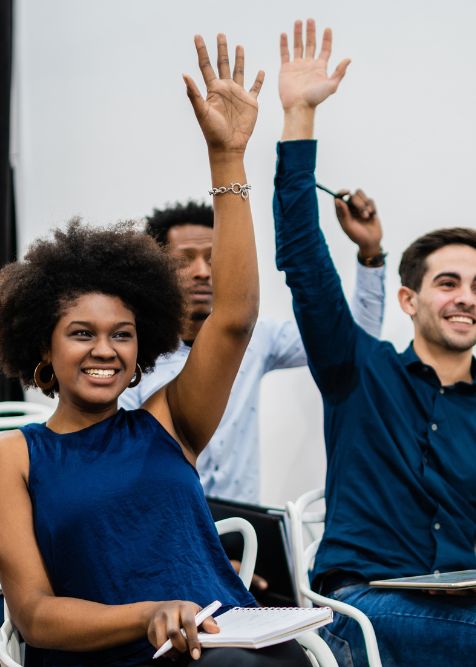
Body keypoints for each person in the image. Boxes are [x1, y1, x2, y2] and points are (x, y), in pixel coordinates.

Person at [0, 34, 310, 666]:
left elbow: (234, 319)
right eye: (82, 333)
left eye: (121, 334)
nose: (105, 349)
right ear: (42, 345)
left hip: (228, 643)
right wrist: (151, 616)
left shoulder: (167, 422)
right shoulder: (10, 458)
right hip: (118, 655)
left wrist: (228, 158)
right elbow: (36, 615)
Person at [273, 19, 476, 667]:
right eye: (449, 282)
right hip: (365, 610)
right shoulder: (358, 368)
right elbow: (305, 263)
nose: (468, 297)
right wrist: (299, 117)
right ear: (410, 299)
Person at [120, 197, 385, 504]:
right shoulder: (133, 350)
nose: (202, 271)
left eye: (212, 257)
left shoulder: (256, 337)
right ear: (157, 270)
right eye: (184, 261)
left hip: (244, 529)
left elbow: (351, 341)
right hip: (165, 523)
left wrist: (370, 254)